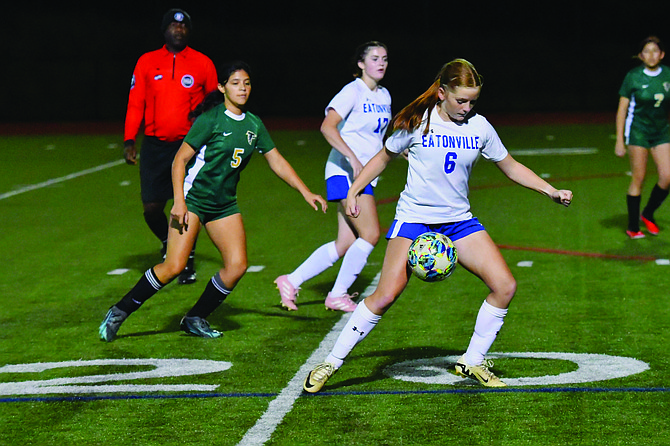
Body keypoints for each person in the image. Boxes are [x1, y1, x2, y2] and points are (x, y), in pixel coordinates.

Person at [303, 59, 573, 392]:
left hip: (458, 223)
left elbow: (510, 165)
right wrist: (355, 189)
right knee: (385, 296)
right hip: (414, 221)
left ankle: (473, 360)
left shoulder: (480, 128)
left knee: (505, 286)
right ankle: (331, 362)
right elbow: (383, 158)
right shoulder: (418, 123)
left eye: (473, 101)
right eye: (461, 100)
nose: (467, 107)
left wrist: (550, 190)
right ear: (443, 92)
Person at [99, 61, 328, 342]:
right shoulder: (211, 119)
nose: (242, 88)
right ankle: (119, 311)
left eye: (246, 83)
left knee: (237, 266)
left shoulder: (254, 124)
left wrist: (305, 191)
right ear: (221, 87)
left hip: (224, 205)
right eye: (235, 83)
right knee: (174, 266)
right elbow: (179, 160)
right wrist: (179, 203)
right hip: (193, 200)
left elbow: (276, 160)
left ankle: (195, 317)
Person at [274, 41, 392, 312]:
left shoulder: (384, 95)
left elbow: (375, 136)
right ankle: (337, 295)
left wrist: (396, 151)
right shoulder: (352, 91)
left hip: (365, 176)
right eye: (374, 58)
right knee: (371, 234)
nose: (381, 63)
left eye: (385, 58)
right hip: (344, 173)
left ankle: (291, 281)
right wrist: (351, 157)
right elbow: (327, 127)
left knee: (345, 242)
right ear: (361, 64)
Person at [123, 8, 219, 283]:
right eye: (173, 27)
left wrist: (210, 132)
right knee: (152, 208)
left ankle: (185, 258)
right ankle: (169, 242)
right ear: (164, 30)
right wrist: (130, 139)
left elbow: (213, 103)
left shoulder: (203, 63)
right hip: (155, 145)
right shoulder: (147, 62)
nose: (179, 30)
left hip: (189, 146)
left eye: (184, 27)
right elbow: (135, 102)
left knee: (188, 205)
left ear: (189, 31)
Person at [615, 35, 670, 239]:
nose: (651, 55)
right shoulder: (633, 76)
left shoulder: (668, 76)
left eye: (655, 51)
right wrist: (620, 140)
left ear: (662, 54)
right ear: (640, 56)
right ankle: (633, 227)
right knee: (639, 178)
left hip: (661, 131)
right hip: (638, 131)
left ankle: (647, 214)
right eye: (646, 51)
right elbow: (622, 110)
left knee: (667, 177)